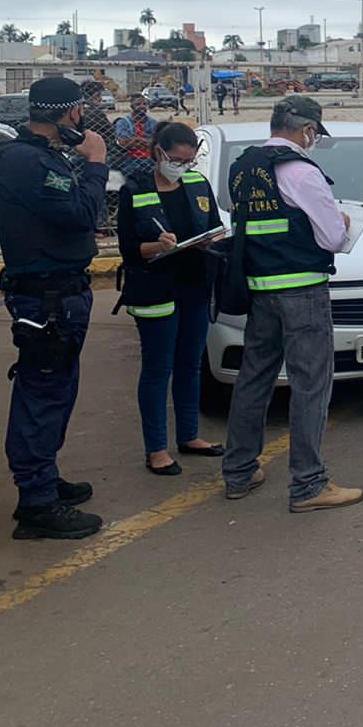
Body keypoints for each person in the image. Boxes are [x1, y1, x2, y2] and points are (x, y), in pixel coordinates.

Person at [223, 95, 363, 511]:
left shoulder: (243, 168)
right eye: (315, 134)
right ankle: (308, 484)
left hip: (260, 290)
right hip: (303, 291)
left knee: (254, 380)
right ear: (307, 130)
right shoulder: (302, 171)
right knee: (311, 385)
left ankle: (239, 472)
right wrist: (341, 223)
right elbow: (333, 238)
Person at [0, 77, 109, 539]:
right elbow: (82, 213)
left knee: (57, 389)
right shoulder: (26, 161)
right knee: (43, 393)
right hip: (47, 298)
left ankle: (45, 479)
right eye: (80, 111)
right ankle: (36, 502)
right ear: (70, 113)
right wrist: (96, 163)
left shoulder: (39, 156)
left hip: (58, 292)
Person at [115, 122, 226, 475]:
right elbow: (129, 249)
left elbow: (213, 224)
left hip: (194, 285)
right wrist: (155, 246)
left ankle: (189, 435)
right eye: (177, 160)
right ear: (158, 152)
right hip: (155, 289)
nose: (182, 167)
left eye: (189, 161)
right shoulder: (135, 190)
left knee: (190, 364)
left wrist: (211, 239)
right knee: (157, 369)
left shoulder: (197, 184)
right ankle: (157, 449)